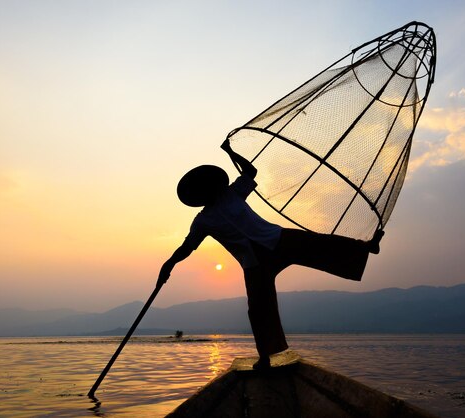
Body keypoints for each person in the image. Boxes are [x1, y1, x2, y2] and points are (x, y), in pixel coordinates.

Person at [158, 139, 383, 369]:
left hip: (275, 239)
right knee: (258, 308)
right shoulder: (203, 221)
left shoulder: (232, 194)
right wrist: (169, 264)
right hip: (254, 262)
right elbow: (187, 247)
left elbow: (250, 171)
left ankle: (365, 247)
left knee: (317, 243)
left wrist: (231, 152)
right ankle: (265, 356)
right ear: (199, 196)